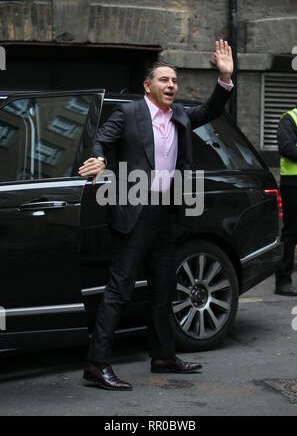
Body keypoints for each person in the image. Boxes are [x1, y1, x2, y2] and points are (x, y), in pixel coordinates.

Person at [78, 39, 234, 391]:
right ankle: (96, 364)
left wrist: (224, 79)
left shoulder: (180, 115)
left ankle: (163, 355)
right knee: (119, 289)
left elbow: (210, 110)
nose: (171, 86)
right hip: (134, 210)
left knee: (164, 289)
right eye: (164, 80)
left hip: (165, 212)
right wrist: (101, 159)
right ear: (147, 86)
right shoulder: (128, 113)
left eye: (175, 81)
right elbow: (102, 139)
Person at [275, 86, 297, 296]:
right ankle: (283, 281)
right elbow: (287, 148)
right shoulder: (289, 118)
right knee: (291, 233)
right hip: (294, 184)